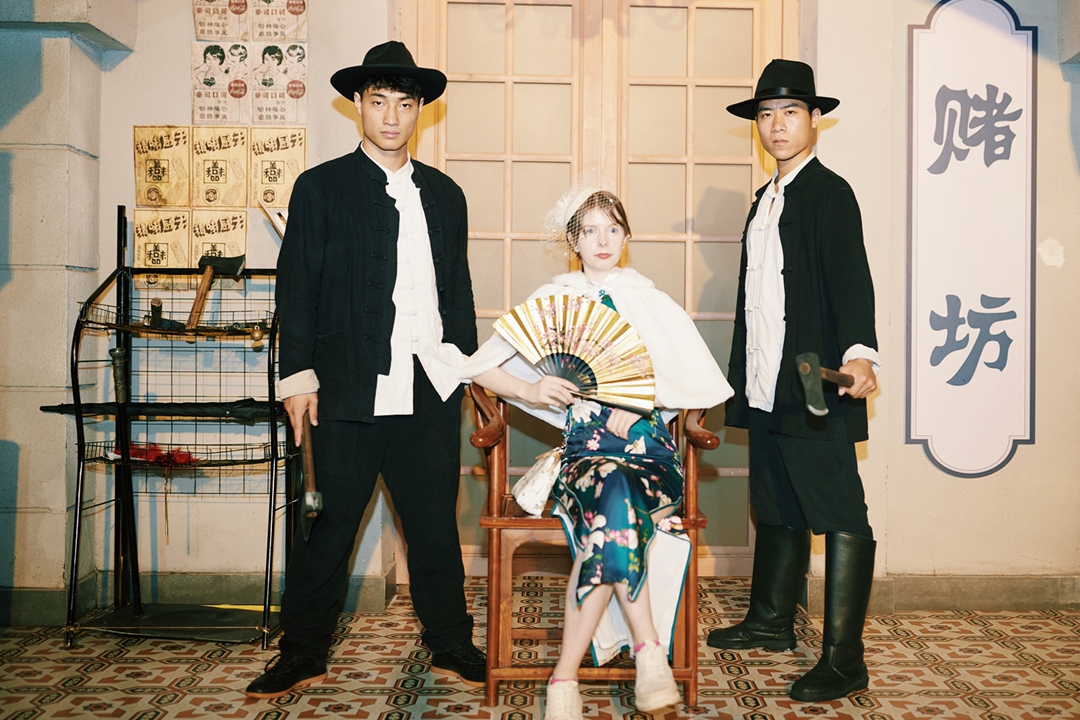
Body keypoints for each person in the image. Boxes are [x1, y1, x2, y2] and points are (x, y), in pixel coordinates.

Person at [248, 41, 483, 699]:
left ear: (420, 112)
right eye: (378, 101)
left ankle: (453, 644)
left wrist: (462, 369)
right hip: (343, 394)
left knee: (435, 530)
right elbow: (296, 289)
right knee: (327, 530)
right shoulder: (319, 188)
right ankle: (303, 651)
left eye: (404, 104)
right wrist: (297, 380)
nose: (390, 116)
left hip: (427, 391)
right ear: (358, 103)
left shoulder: (445, 195)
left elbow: (456, 292)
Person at [463, 187, 732, 719]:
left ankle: (563, 682)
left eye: (612, 228)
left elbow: (703, 383)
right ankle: (648, 651)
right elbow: (479, 367)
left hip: (651, 455)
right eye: (589, 230)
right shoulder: (555, 298)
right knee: (615, 503)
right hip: (584, 456)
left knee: (612, 512)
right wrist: (532, 391)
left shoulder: (652, 302)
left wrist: (647, 402)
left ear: (627, 236)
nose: (602, 240)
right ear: (573, 241)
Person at [705, 59, 880, 704]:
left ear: (812, 120)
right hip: (765, 381)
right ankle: (772, 621)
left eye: (790, 113)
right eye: (766, 115)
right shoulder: (766, 197)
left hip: (815, 382)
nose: (776, 126)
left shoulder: (829, 194)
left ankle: (845, 659)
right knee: (776, 504)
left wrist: (861, 355)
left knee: (838, 513)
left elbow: (851, 282)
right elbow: (758, 300)